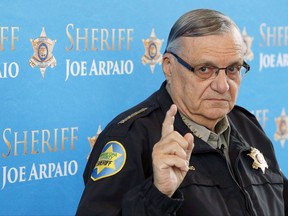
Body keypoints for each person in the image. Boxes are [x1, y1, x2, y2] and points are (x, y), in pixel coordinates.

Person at [76, 9, 288, 215]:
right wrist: (158, 194)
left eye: (232, 69)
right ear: (169, 66)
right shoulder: (130, 137)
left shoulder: (246, 125)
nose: (223, 86)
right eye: (204, 69)